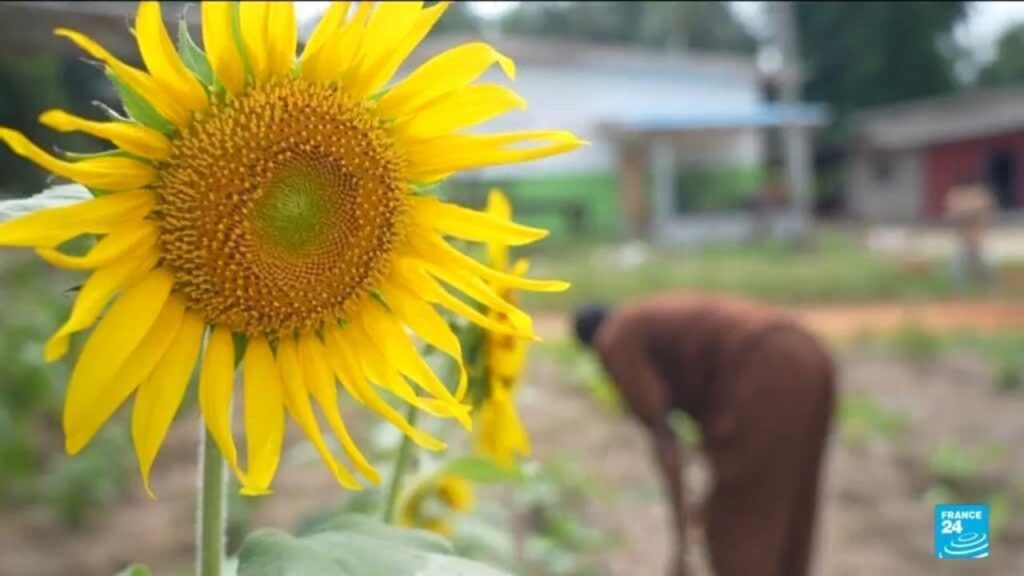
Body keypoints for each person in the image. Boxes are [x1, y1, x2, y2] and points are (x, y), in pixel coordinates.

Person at [573, 294, 836, 576]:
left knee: (736, 522)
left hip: (767, 367)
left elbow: (665, 442)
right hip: (809, 353)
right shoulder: (643, 318)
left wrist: (681, 544)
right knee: (791, 500)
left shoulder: (615, 339)